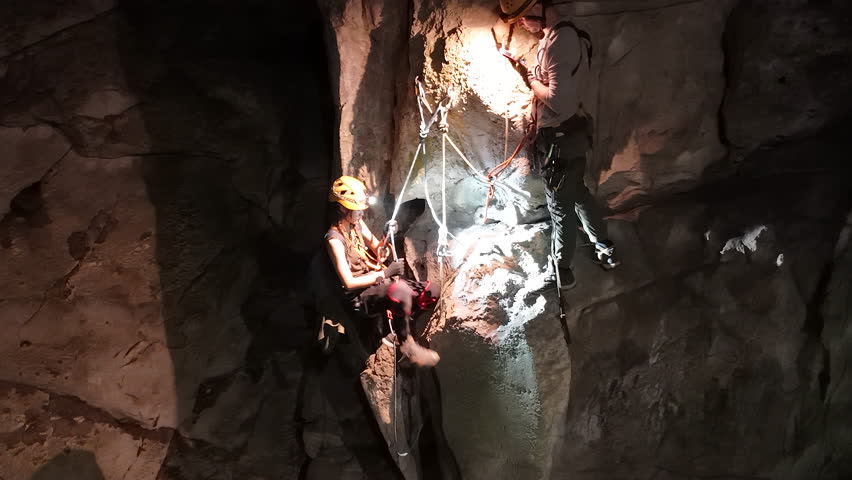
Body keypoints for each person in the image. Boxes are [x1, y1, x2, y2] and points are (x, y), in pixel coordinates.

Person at [500, 0, 621, 290]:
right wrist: (524, 65)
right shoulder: (568, 35)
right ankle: (606, 249)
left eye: (522, 18)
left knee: (560, 207)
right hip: (574, 133)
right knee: (578, 193)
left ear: (538, 7)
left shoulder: (557, 43)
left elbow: (558, 100)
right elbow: (561, 79)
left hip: (559, 138)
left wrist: (529, 79)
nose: (521, 25)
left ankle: (562, 271)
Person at [324, 175, 440, 367]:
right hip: (358, 297)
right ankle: (407, 345)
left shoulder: (357, 225)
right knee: (401, 290)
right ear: (342, 208)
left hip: (377, 284)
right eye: (357, 210)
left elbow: (378, 249)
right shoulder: (334, 239)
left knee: (431, 292)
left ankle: (399, 321)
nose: (361, 214)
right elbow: (348, 282)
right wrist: (385, 274)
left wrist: (386, 236)